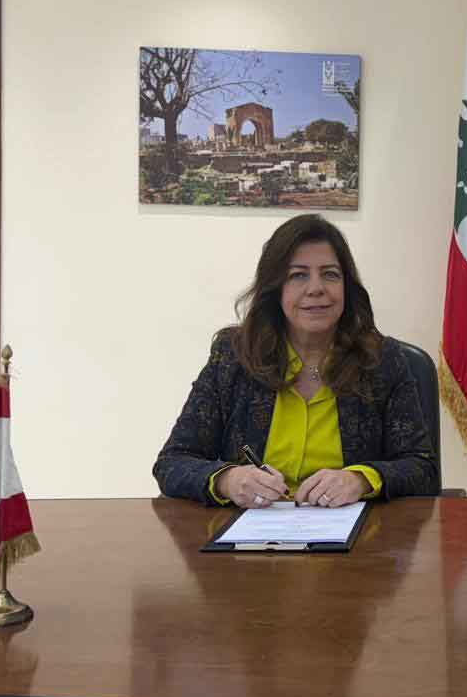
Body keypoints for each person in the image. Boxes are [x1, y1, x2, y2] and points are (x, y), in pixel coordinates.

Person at [153, 214, 439, 508]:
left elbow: (422, 467)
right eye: (298, 275)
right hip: (251, 531)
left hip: (355, 531)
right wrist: (228, 480)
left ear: (347, 287)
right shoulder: (233, 357)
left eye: (330, 274)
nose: (316, 288)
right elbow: (173, 462)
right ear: (275, 288)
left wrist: (361, 480)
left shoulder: (381, 360)